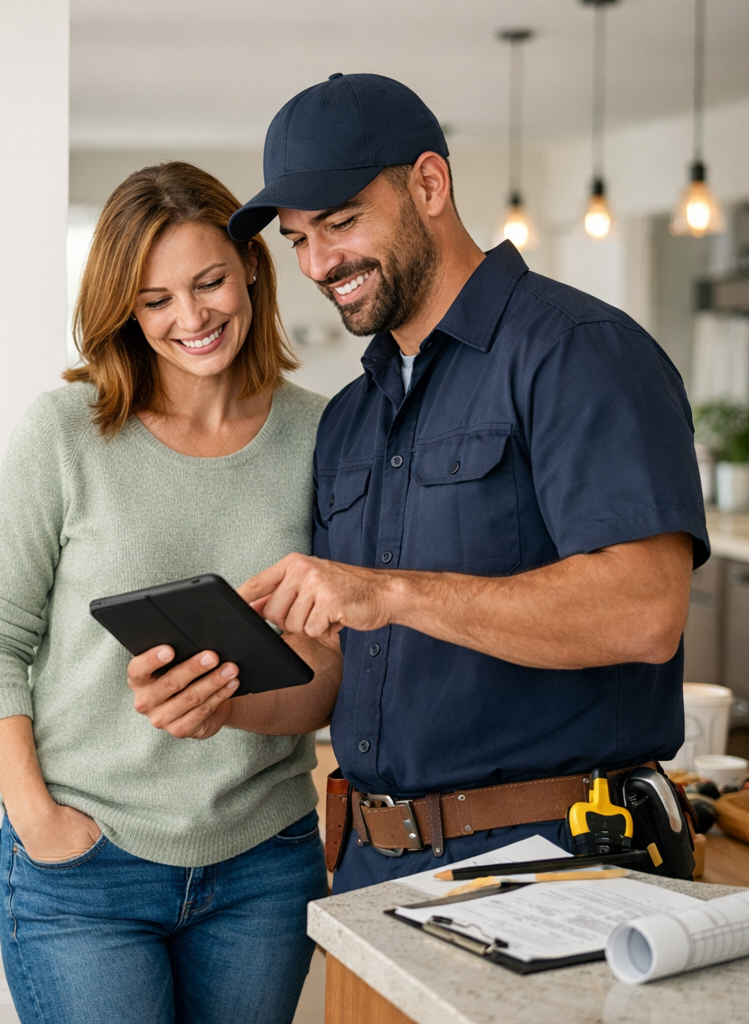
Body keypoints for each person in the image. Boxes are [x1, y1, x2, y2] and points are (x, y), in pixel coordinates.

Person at [128, 74, 707, 894]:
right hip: (373, 868)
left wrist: (391, 593)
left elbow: (645, 611)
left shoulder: (581, 353)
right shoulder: (352, 417)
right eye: (296, 240)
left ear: (429, 184)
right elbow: (332, 673)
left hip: (557, 865)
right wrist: (223, 700)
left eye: (342, 221)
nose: (320, 263)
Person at [0, 162, 341, 1024]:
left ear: (252, 270)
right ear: (123, 307)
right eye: (155, 298)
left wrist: (226, 710)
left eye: (208, 282)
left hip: (262, 866)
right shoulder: (65, 432)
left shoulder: (323, 436)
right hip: (86, 869)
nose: (191, 318)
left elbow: (329, 675)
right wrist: (37, 821)